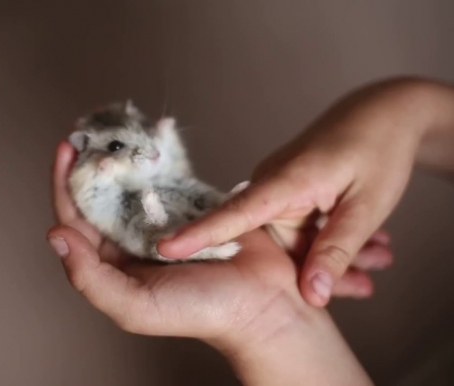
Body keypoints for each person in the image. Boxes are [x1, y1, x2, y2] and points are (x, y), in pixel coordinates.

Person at [46, 76, 454, 385]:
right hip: (148, 220)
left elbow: (175, 170)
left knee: (205, 205)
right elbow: (109, 204)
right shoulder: (95, 173)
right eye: (116, 147)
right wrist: (406, 111)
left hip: (177, 203)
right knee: (154, 228)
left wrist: (265, 320)